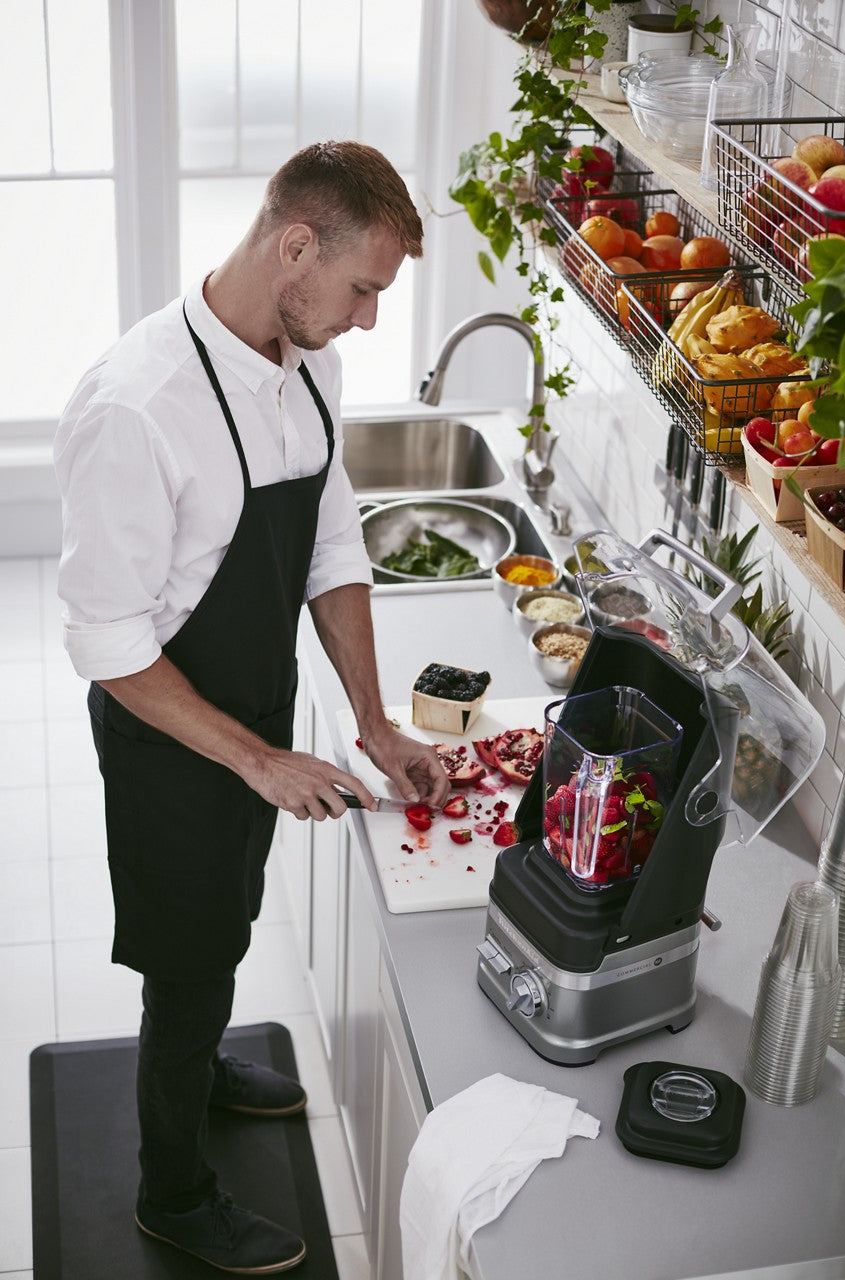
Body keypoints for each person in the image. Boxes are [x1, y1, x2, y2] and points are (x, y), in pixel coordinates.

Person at [54, 140, 449, 1275]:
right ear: (294, 246)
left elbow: (330, 545)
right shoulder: (137, 406)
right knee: (185, 957)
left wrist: (371, 724)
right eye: (364, 287)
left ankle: (211, 1062)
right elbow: (107, 643)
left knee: (227, 909)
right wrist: (255, 759)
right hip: (172, 733)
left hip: (255, 713)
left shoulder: (306, 358)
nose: (370, 318)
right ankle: (171, 1191)